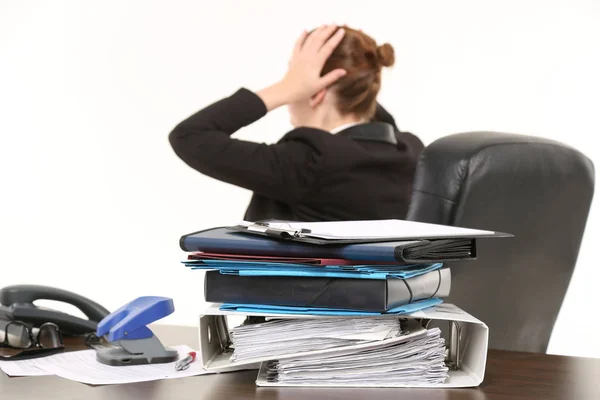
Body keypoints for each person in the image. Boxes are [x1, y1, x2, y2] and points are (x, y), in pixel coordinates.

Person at [169, 25, 424, 222]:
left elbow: (189, 136)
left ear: (316, 92)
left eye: (294, 74)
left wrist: (284, 89)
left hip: (279, 292)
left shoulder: (308, 162)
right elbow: (377, 121)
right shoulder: (410, 152)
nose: (291, 82)